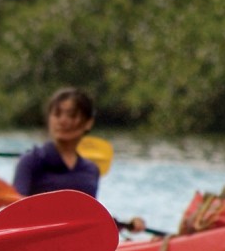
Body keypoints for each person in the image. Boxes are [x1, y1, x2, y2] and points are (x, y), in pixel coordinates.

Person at [14, 87, 145, 232]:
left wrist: (126, 225)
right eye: (57, 114)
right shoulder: (30, 161)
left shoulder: (91, 170)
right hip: (37, 238)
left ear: (88, 122)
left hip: (75, 241)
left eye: (71, 115)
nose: (62, 121)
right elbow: (14, 212)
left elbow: (89, 219)